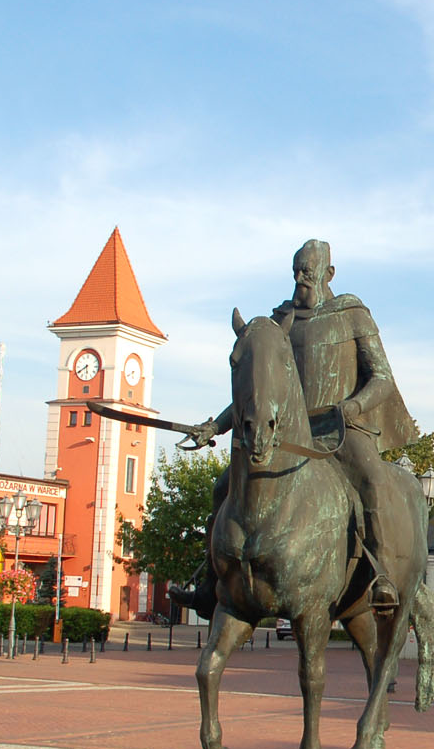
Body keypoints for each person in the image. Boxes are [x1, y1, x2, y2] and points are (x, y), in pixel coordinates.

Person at [169, 239, 417, 618]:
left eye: (309, 271)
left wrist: (354, 406)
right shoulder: (281, 321)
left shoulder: (352, 314)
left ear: (328, 273)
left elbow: (382, 378)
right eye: (297, 271)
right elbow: (260, 392)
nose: (301, 279)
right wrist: (213, 427)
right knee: (224, 486)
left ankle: (381, 574)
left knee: (372, 479)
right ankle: (212, 582)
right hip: (289, 433)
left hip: (342, 427)